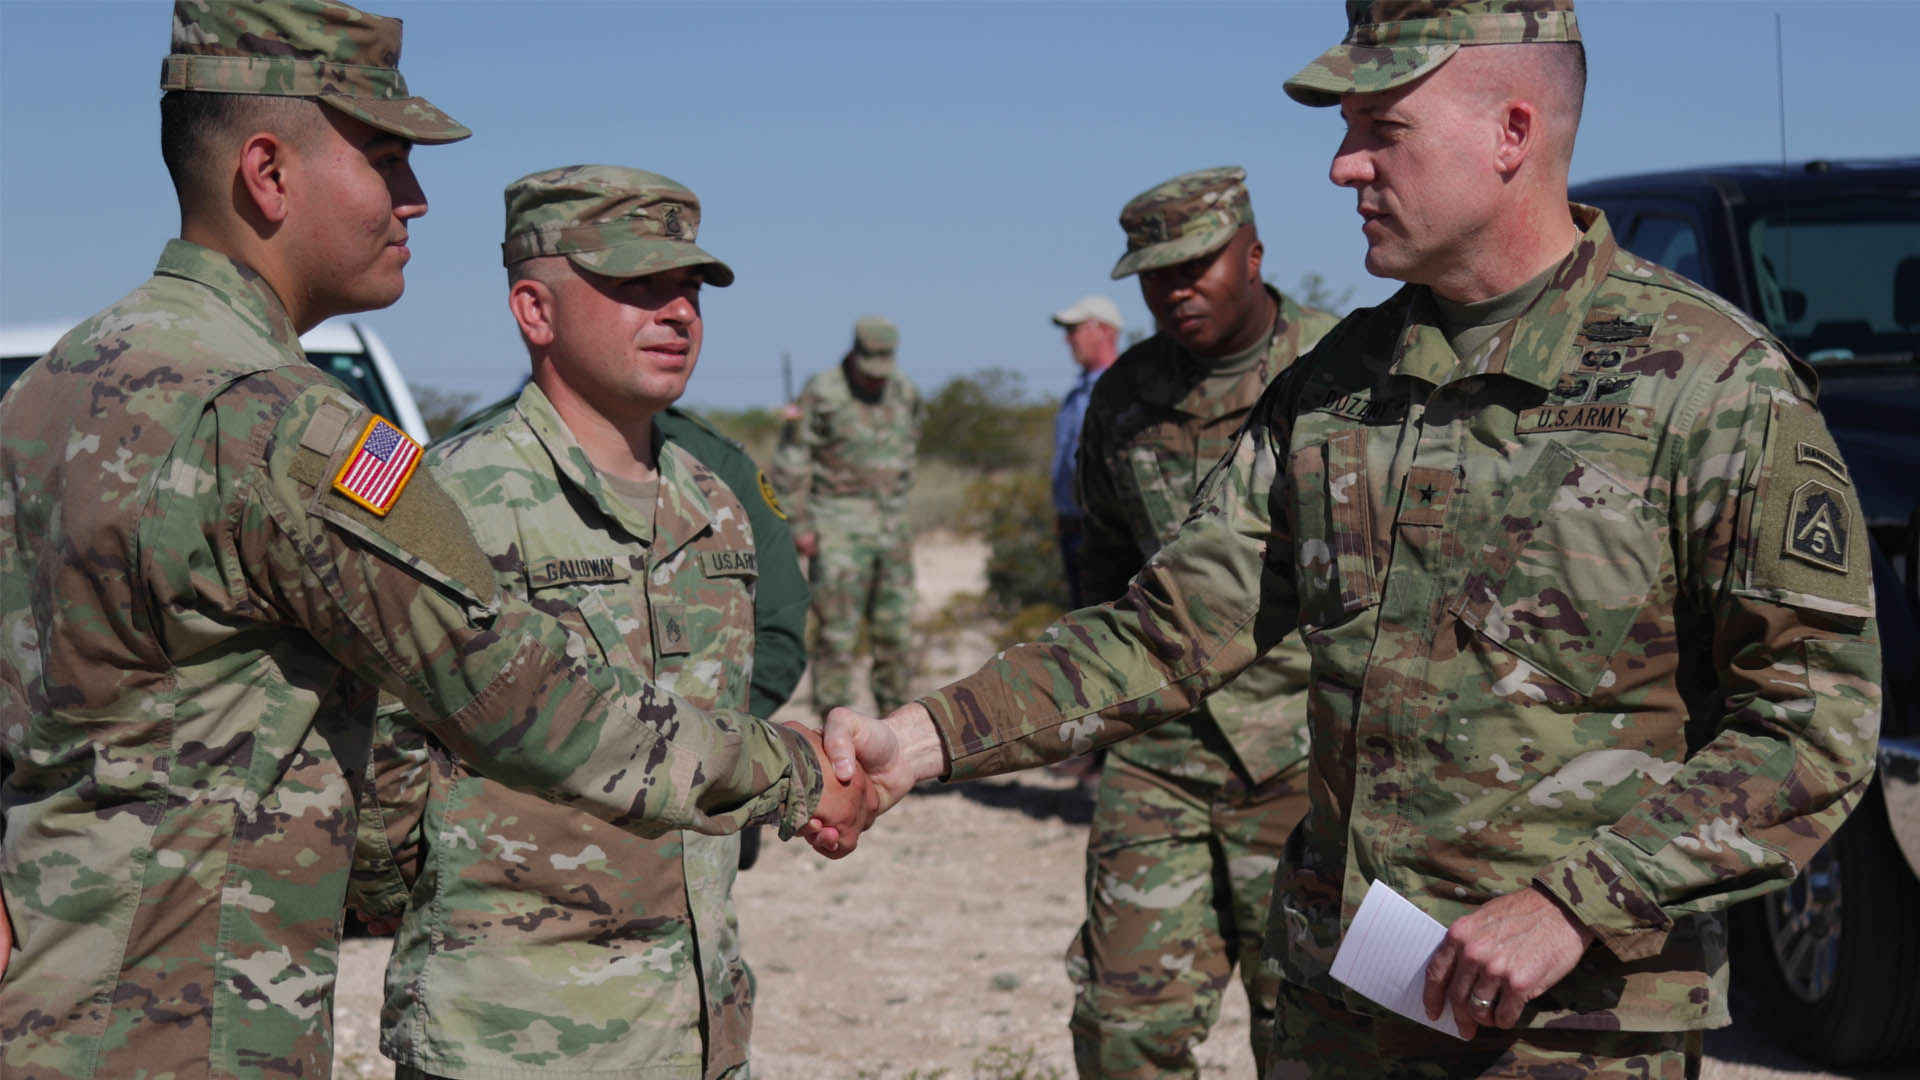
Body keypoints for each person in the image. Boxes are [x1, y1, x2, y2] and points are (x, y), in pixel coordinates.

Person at [821, 2, 1881, 1076]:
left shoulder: (1709, 385)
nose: (1342, 166)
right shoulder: (1336, 389)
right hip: (1342, 1004)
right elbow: (1165, 630)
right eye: (1345, 129)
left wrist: (1577, 904)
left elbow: (1815, 720)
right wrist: (921, 739)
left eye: (1383, 127)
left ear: (1513, 133)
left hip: (1570, 1025)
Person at [0, 7, 871, 1078]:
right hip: (197, 1020)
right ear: (268, 173)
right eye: (383, 158)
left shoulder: (55, 387)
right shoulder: (288, 428)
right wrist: (789, 770)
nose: (414, 200)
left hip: (45, 999)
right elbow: (518, 696)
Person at [345, 165, 797, 1080]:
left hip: (698, 1030)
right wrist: (435, 919)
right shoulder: (443, 500)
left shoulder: (715, 502)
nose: (676, 314)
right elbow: (374, 754)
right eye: (637, 287)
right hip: (511, 1035)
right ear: (534, 310)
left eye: (689, 291)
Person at [1063, 167, 1338, 1080]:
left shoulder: (1343, 375)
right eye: (1154, 273)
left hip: (1309, 754)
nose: (1175, 289)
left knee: (1309, 1025)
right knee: (1123, 1027)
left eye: (1197, 266)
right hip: (1161, 750)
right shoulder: (1124, 397)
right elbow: (1100, 559)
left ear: (1254, 254)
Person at [770, 316, 925, 719]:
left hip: (892, 527)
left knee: (896, 635)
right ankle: (836, 736)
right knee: (837, 639)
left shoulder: (904, 391)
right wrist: (799, 524)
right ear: (853, 355)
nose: (875, 379)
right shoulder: (822, 392)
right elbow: (790, 462)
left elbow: (910, 450)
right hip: (836, 528)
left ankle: (897, 729)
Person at [1049, 294, 1123, 610]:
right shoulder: (1075, 394)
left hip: (1106, 536)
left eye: (1075, 329)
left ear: (1103, 330)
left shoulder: (1122, 387)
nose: (1068, 339)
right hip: (1072, 530)